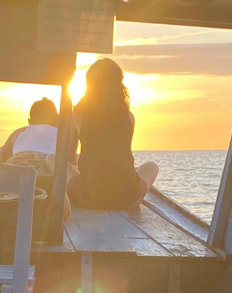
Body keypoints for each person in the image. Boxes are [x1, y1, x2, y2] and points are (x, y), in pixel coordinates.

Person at [50, 58, 158, 210]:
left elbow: (68, 156)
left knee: (52, 159)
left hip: (89, 198)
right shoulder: (129, 117)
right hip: (128, 198)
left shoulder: (78, 116)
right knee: (152, 166)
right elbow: (121, 154)